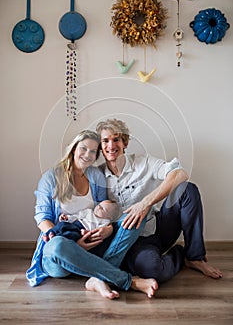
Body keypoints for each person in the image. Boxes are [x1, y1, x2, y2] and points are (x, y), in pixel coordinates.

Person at [26, 130, 158, 299]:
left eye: (93, 151)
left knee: (137, 215)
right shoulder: (51, 177)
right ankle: (127, 281)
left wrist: (109, 229)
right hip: (62, 249)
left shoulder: (96, 176)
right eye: (83, 148)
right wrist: (75, 245)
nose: (87, 155)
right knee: (57, 245)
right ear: (74, 149)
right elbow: (42, 218)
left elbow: (105, 212)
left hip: (94, 242)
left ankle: (96, 278)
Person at [96, 119, 222, 286]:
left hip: (158, 227)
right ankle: (180, 256)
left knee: (187, 189)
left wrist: (145, 203)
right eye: (105, 141)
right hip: (131, 241)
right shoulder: (96, 176)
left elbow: (180, 174)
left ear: (124, 142)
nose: (111, 145)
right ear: (100, 146)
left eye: (116, 139)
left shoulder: (143, 162)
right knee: (152, 269)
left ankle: (195, 257)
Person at [44, 199, 121, 242]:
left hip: (82, 232)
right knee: (62, 225)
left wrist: (88, 233)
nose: (98, 207)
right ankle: (48, 234)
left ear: (109, 217)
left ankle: (56, 238)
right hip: (76, 224)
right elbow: (77, 216)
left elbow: (97, 232)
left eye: (103, 209)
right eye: (99, 205)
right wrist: (67, 218)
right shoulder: (89, 212)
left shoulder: (105, 222)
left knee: (72, 235)